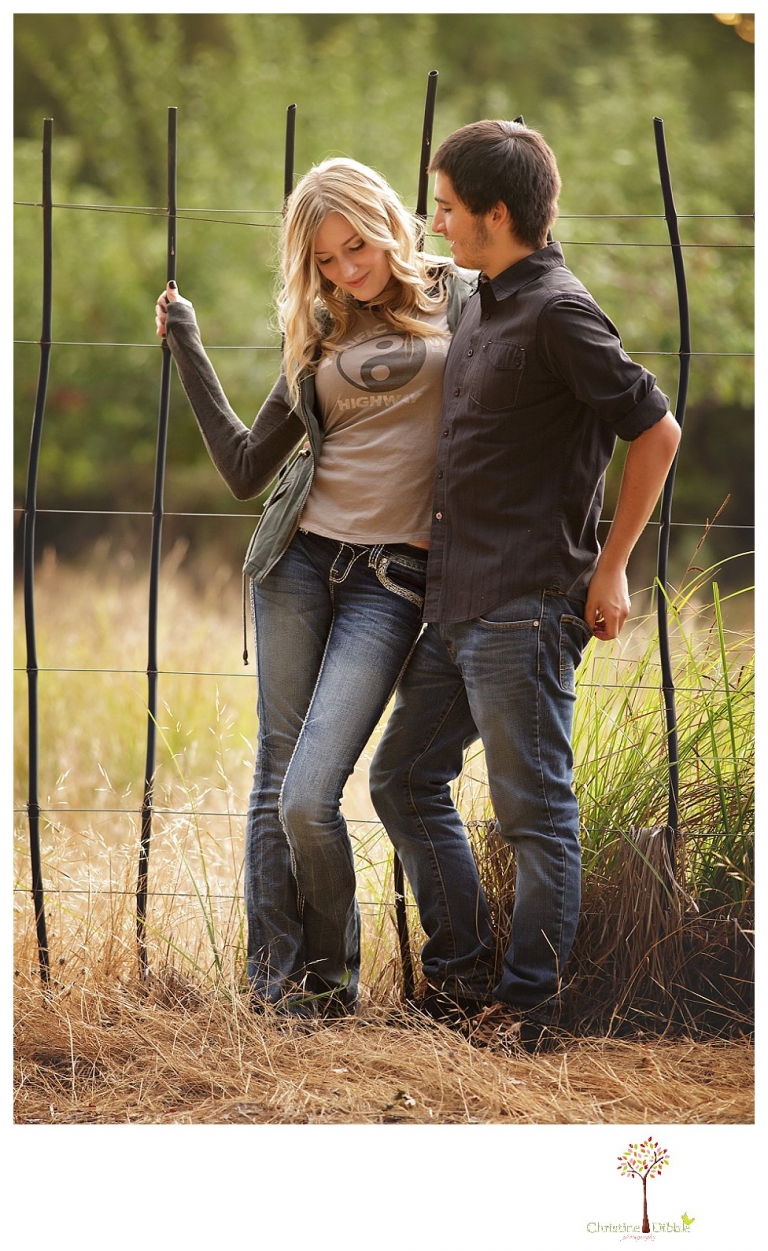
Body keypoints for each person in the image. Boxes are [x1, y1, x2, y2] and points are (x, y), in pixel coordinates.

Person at [369, 120, 682, 1051]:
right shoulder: (483, 299)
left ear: (496, 214)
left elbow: (655, 430)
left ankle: (528, 1006)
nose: (437, 220)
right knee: (403, 779)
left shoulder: (560, 310)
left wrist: (613, 562)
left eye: (447, 206)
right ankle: (466, 979)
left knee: (535, 815)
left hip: (528, 605)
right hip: (456, 602)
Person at [154, 157, 474, 1019]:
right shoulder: (321, 327)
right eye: (324, 260)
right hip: (298, 560)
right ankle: (289, 987)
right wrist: (184, 339)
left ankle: (331, 971)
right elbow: (243, 467)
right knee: (274, 780)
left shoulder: (467, 297)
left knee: (309, 792)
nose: (345, 270)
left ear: (387, 222)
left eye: (356, 246)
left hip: (393, 579)